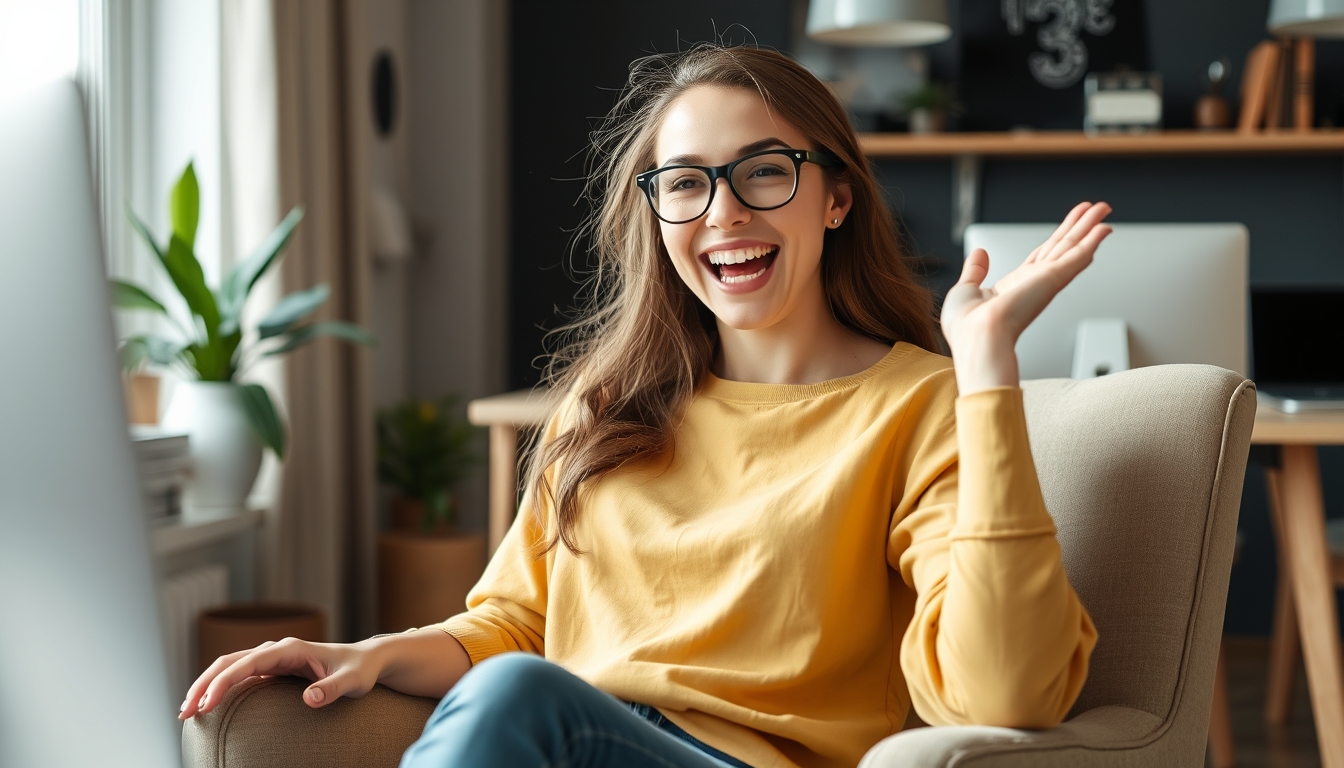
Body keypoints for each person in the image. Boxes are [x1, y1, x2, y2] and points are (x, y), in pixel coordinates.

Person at [180, 44, 1109, 768]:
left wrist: (985, 367)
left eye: (765, 171)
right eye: (687, 182)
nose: (723, 212)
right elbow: (511, 624)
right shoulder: (612, 399)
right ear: (658, 211)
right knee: (515, 691)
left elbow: (1003, 694)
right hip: (551, 738)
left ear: (834, 198)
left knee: (518, 698)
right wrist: (374, 651)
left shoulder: (918, 403)